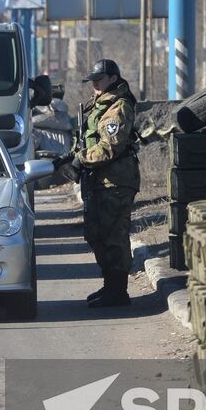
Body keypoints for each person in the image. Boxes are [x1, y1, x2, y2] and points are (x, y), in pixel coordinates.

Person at [56, 59, 139, 308]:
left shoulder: (119, 105)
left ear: (113, 78)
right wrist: (69, 157)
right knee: (97, 235)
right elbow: (87, 140)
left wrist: (80, 161)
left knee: (114, 236)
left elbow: (111, 146)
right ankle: (109, 285)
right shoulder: (99, 104)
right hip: (98, 180)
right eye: (92, 81)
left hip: (115, 181)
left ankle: (118, 291)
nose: (95, 85)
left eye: (99, 80)